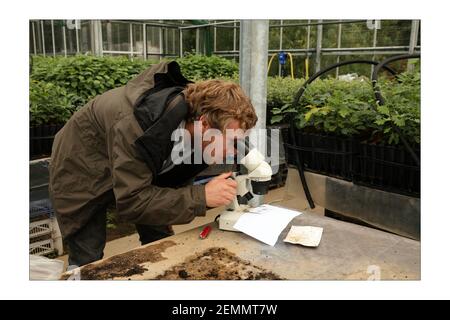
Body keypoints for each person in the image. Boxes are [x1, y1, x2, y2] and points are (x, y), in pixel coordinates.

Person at [49, 60, 258, 267]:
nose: (232, 152)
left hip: (129, 158)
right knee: (88, 258)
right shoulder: (137, 126)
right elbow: (132, 202)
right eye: (231, 141)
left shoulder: (195, 114)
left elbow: (167, 183)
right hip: (79, 168)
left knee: (160, 241)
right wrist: (201, 196)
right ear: (204, 123)